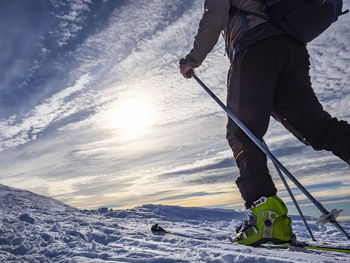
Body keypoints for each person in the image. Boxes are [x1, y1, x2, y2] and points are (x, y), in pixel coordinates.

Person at [179, 0, 350, 246]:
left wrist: (192, 60)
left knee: (242, 132)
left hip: (255, 48)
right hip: (290, 48)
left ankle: (268, 221)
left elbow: (215, 16)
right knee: (318, 128)